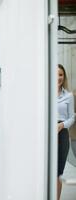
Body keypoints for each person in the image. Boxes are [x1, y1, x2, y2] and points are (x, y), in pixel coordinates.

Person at [57, 64, 75, 200]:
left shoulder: (68, 95)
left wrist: (62, 125)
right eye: (56, 74)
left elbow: (72, 117)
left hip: (62, 134)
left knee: (58, 172)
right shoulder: (45, 94)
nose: (58, 77)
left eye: (61, 74)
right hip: (47, 133)